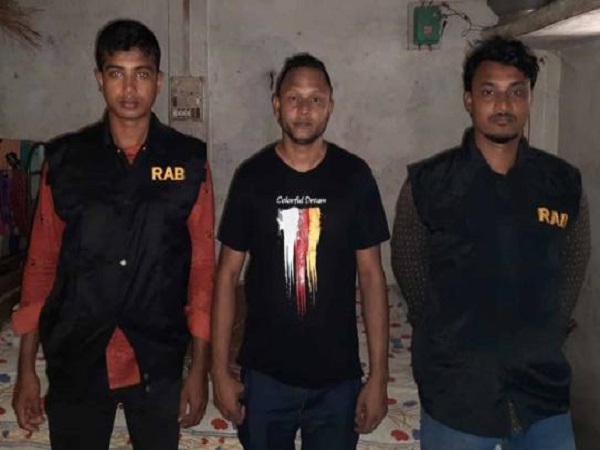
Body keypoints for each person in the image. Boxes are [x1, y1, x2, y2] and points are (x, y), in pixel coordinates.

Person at [11, 19, 214, 450]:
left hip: (157, 357)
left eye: (142, 73)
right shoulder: (66, 161)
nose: (129, 88)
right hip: (78, 354)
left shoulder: (188, 163)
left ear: (158, 81)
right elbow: (42, 263)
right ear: (99, 79)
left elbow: (201, 269)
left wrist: (199, 370)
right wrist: (27, 367)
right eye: (117, 73)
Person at [391, 36, 591, 450]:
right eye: (489, 92)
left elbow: (573, 263)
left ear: (529, 99)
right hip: (457, 390)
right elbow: (410, 270)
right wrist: (444, 334)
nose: (503, 104)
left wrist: (544, 331)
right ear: (469, 100)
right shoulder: (428, 185)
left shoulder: (562, 184)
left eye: (516, 92)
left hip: (541, 389)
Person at [211, 53, 390, 450]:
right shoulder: (252, 178)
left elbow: (372, 277)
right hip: (265, 376)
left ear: (330, 106)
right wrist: (218, 370)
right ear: (277, 105)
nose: (305, 109)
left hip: (337, 379)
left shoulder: (354, 177)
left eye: (315, 99)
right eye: (294, 98)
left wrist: (379, 376)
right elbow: (226, 276)